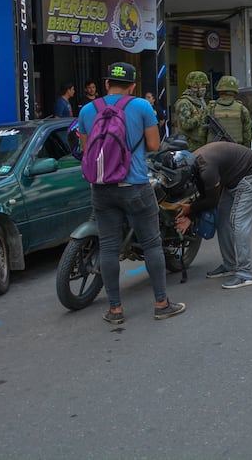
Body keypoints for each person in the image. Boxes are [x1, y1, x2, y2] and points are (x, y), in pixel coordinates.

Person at [77, 62, 185, 324]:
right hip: (134, 185)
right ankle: (161, 304)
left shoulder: (87, 110)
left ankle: (115, 310)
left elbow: (86, 150)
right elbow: (154, 144)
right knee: (151, 244)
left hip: (101, 189)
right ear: (133, 86)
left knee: (110, 247)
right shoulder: (141, 106)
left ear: (106, 84)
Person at [172, 142, 252, 289]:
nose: (185, 183)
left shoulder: (206, 169)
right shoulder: (194, 162)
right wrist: (190, 216)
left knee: (238, 221)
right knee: (223, 221)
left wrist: (191, 209)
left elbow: (212, 200)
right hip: (233, 179)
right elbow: (206, 196)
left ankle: (245, 274)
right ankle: (229, 266)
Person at [207, 75, 252, 147]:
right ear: (235, 91)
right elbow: (247, 134)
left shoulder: (210, 108)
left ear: (219, 90)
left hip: (214, 149)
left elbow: (201, 133)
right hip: (236, 148)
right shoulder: (242, 109)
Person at [173, 71, 210, 151]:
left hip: (200, 146)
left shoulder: (200, 101)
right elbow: (186, 124)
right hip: (189, 147)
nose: (204, 88)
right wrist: (202, 116)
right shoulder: (184, 103)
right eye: (203, 85)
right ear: (195, 86)